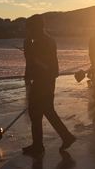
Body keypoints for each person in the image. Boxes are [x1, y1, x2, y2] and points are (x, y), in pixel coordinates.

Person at [23, 15, 76, 157]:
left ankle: (40, 145)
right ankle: (63, 137)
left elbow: (35, 62)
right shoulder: (45, 40)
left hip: (42, 83)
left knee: (37, 113)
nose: (28, 31)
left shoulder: (40, 42)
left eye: (29, 28)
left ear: (35, 27)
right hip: (46, 82)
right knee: (45, 112)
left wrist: (28, 48)